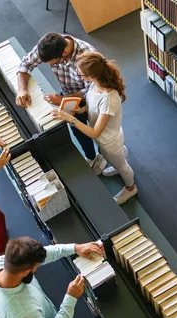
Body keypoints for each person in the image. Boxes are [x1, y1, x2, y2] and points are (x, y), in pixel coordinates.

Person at [51, 52, 138, 205]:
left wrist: (69, 118)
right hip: (111, 137)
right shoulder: (95, 84)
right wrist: (81, 111)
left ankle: (131, 188)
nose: (79, 75)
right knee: (116, 155)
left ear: (91, 76)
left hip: (109, 141)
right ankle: (119, 163)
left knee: (122, 165)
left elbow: (94, 132)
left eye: (81, 74)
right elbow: (92, 104)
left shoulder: (108, 99)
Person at [16, 32, 108, 175]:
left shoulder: (87, 55)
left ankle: (105, 156)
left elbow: (94, 89)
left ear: (64, 52)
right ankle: (91, 156)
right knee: (77, 129)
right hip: (69, 94)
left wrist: (64, 100)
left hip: (95, 99)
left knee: (100, 129)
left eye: (53, 63)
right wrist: (22, 90)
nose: (50, 66)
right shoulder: (48, 46)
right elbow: (26, 64)